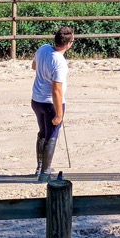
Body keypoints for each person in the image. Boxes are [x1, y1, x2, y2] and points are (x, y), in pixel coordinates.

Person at [31, 26, 74, 182]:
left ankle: (39, 167)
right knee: (52, 136)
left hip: (36, 100)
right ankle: (45, 173)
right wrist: (59, 114)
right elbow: (57, 90)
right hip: (50, 103)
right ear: (69, 43)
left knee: (42, 132)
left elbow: (34, 66)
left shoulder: (43, 49)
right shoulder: (60, 62)